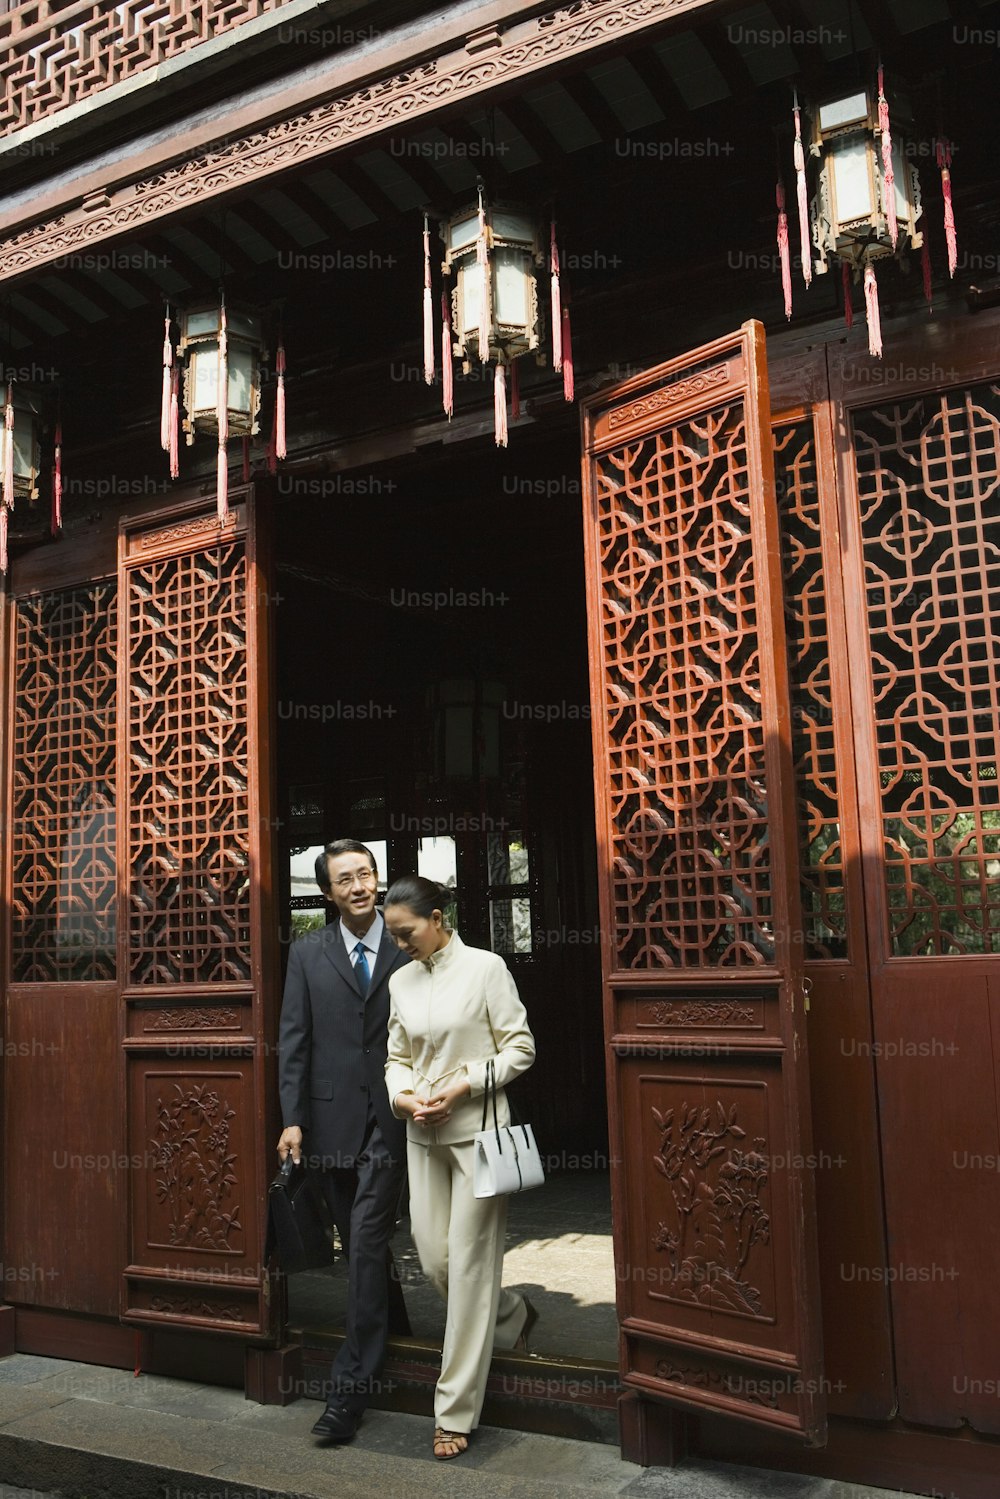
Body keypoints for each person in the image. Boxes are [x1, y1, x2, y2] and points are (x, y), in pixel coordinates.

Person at [383, 874, 537, 1461]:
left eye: (408, 932)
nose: (400, 944)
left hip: (478, 1136)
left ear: (438, 917)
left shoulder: (487, 969)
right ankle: (514, 1314)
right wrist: (404, 1098)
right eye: (394, 936)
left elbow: (520, 1048)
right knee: (435, 1261)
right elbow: (397, 1058)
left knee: (469, 1269)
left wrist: (465, 1086)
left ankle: (454, 1411)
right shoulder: (400, 981)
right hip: (421, 1136)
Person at [277, 839, 411, 1443]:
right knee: (362, 1245)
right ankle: (398, 1328)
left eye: (367, 874)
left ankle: (347, 1393)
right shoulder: (307, 953)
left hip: (390, 1119)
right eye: (345, 880)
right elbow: (294, 1043)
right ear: (327, 893)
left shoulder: (408, 945)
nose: (359, 886)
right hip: (329, 1125)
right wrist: (292, 1119)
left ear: (377, 881)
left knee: (360, 1245)